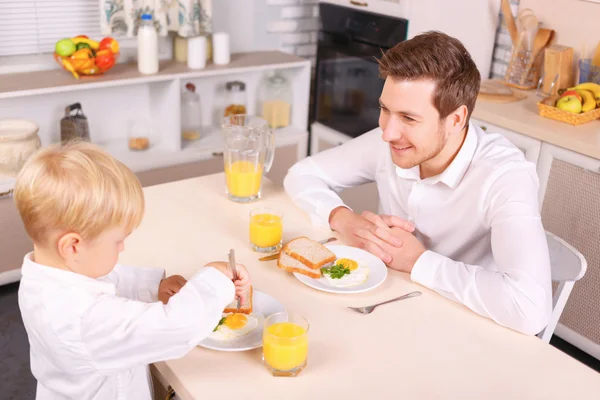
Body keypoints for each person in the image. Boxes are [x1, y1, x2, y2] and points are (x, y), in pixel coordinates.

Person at [284, 31, 551, 335]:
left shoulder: (504, 175)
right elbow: (302, 174)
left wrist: (417, 261)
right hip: (386, 310)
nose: (387, 133)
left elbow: (531, 308)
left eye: (409, 119)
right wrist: (344, 220)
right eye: (385, 110)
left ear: (455, 119)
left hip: (465, 331)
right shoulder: (391, 142)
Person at [13, 141, 251, 399]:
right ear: (72, 246)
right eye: (117, 241)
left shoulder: (44, 275)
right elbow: (177, 327)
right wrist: (214, 277)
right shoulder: (84, 319)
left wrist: (153, 287)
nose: (123, 247)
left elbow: (102, 280)